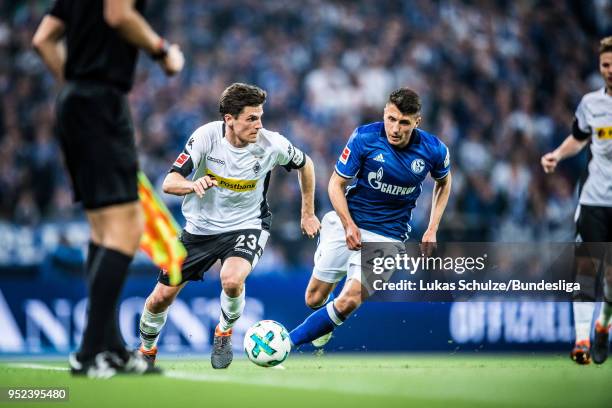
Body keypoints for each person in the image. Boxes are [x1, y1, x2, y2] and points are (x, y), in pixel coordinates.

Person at [32, 0, 184, 377]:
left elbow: (43, 39)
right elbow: (118, 14)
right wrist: (163, 51)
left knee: (105, 230)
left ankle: (111, 347)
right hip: (100, 104)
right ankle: (88, 352)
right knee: (125, 229)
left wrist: (76, 86)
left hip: (78, 102)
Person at [138, 83, 320, 369]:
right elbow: (168, 182)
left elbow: (306, 164)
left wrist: (307, 212)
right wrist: (191, 184)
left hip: (247, 226)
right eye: (251, 118)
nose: (259, 125)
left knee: (232, 280)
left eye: (260, 117)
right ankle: (146, 352)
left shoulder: (271, 144)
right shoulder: (205, 138)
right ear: (229, 120)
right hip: (198, 231)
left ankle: (223, 331)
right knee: (159, 298)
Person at [289, 88, 452, 348]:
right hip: (349, 224)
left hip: (388, 236)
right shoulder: (364, 137)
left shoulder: (433, 150)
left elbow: (444, 183)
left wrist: (432, 228)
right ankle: (324, 321)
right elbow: (335, 184)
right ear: (385, 113)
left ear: (417, 122)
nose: (395, 128)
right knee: (313, 299)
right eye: (391, 119)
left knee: (351, 298)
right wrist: (348, 225)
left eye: (404, 122)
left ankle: (285, 343)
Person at [541, 36, 612, 365]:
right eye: (605, 65)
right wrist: (556, 154)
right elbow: (579, 139)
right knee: (586, 266)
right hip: (595, 199)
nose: (609, 71)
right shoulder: (590, 104)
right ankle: (581, 339)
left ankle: (602, 325)